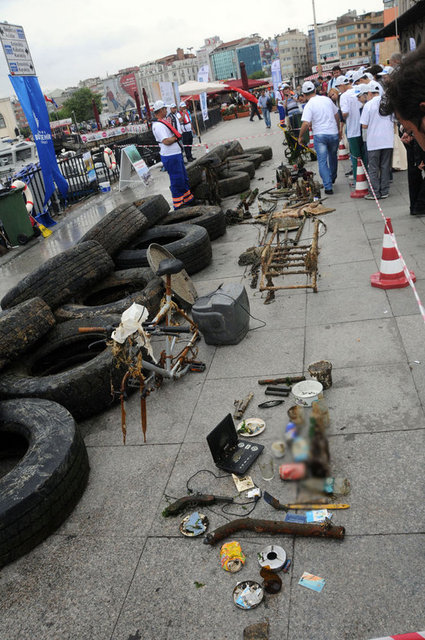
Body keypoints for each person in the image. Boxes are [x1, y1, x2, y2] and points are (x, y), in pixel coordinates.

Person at [152, 100, 198, 210]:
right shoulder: (158, 125)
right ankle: (178, 204)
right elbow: (166, 141)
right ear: (161, 110)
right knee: (177, 180)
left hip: (175, 153)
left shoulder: (162, 122)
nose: (166, 111)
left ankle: (188, 199)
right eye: (165, 109)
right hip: (170, 155)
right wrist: (176, 137)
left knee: (183, 178)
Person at [298, 80, 341, 195]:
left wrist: (300, 136)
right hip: (333, 133)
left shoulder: (309, 105)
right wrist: (338, 129)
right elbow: (336, 115)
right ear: (315, 90)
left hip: (320, 135)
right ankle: (332, 177)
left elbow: (306, 123)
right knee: (332, 156)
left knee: (322, 161)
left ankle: (328, 187)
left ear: (304, 95)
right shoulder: (327, 99)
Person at [360, 82, 394, 200]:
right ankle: (384, 191)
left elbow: (364, 125)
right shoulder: (388, 103)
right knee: (385, 166)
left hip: (374, 142)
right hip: (388, 140)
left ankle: (374, 192)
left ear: (369, 93)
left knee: (373, 167)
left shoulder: (368, 105)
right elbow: (394, 119)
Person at [337, 75, 367, 180]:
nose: (338, 90)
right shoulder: (358, 90)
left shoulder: (344, 96)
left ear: (342, 85)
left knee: (355, 156)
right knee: (365, 155)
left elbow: (345, 113)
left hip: (353, 129)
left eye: (338, 87)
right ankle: (366, 176)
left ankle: (358, 179)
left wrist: (341, 116)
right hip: (363, 128)